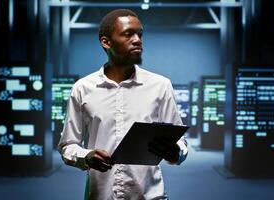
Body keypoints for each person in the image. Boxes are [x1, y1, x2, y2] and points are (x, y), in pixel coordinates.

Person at [58, 9, 188, 200]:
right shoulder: (82, 88)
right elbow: (68, 145)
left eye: (140, 34)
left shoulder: (160, 86)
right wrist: (86, 156)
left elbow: (179, 141)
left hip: (150, 196)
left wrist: (176, 152)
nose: (137, 40)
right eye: (128, 34)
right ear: (106, 42)